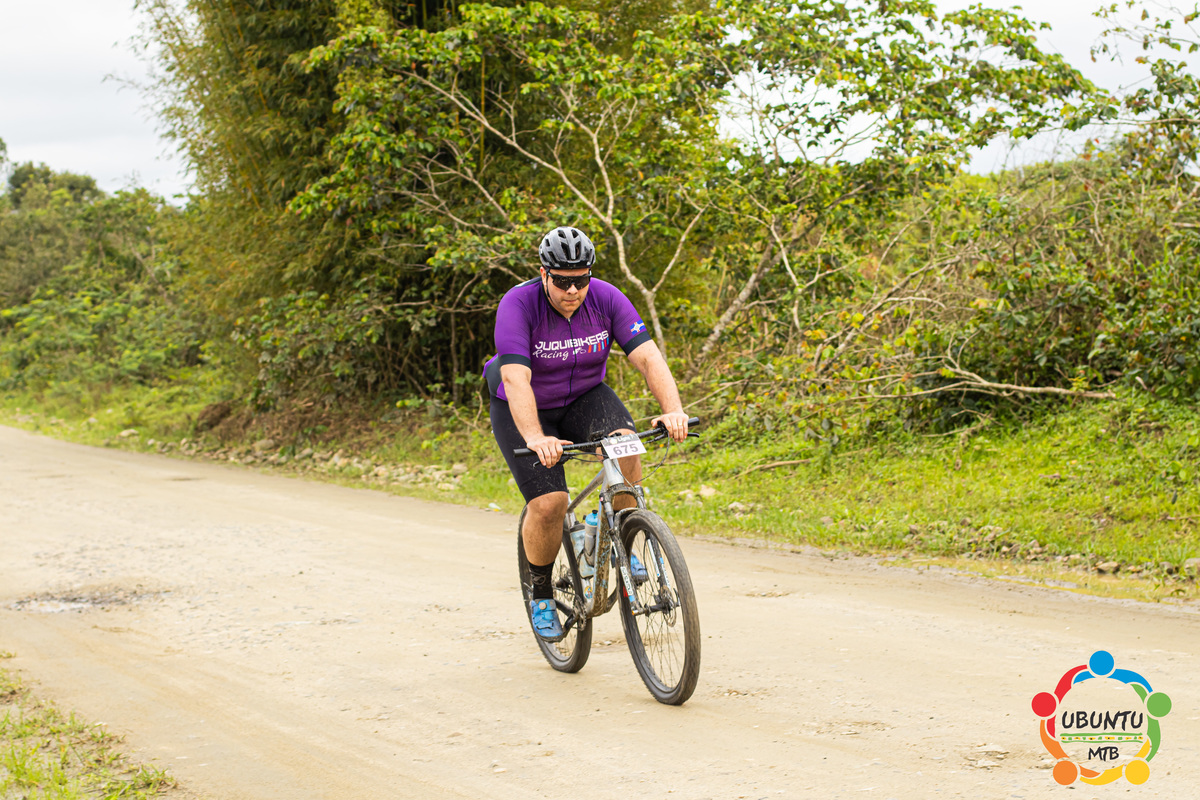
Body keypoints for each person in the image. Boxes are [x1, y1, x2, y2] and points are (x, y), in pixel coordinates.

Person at [484, 226, 690, 641]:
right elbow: (516, 379)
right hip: (524, 406)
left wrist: (674, 410)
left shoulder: (607, 298)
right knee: (550, 504)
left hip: (584, 395)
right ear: (543, 274)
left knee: (626, 447)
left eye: (581, 280)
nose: (573, 290)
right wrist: (535, 437)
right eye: (563, 282)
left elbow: (648, 358)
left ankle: (615, 534)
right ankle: (541, 594)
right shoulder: (518, 304)